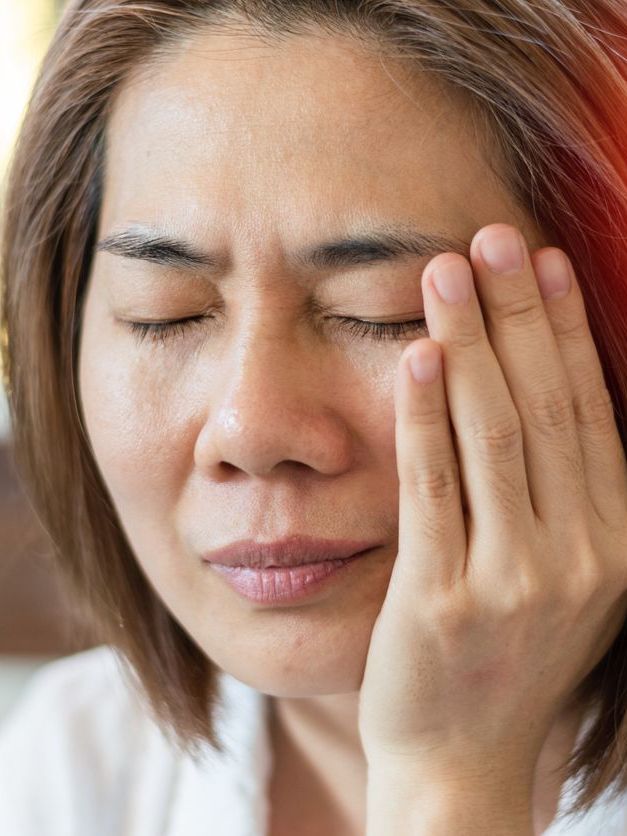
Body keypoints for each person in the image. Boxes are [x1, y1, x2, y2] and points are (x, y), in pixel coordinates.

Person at [1, 1, 626, 833]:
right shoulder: (77, 765)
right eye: (166, 314)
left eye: (384, 310)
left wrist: (452, 776)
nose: (250, 431)